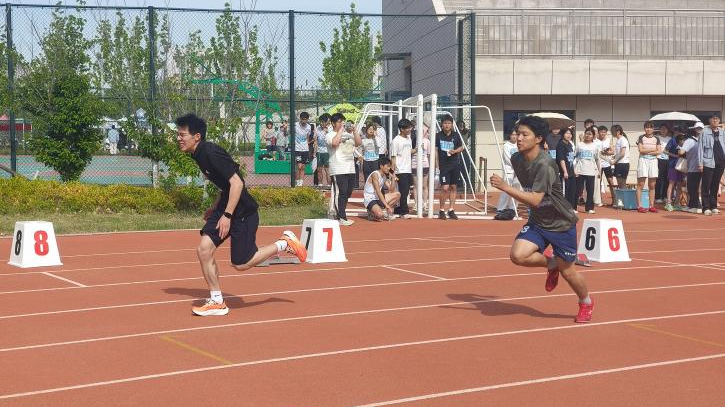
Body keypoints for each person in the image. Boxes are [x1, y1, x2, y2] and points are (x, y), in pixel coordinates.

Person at [175, 113, 307, 316]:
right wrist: (215, 207)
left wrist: (227, 216)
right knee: (204, 249)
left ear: (197, 136)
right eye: (178, 134)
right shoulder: (198, 154)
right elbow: (225, 185)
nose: (178, 138)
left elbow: (237, 183)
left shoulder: (210, 152)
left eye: (182, 134)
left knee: (242, 264)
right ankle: (217, 301)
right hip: (226, 207)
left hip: (243, 212)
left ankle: (284, 243)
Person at [489, 115, 593, 323]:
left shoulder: (545, 164)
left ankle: (586, 301)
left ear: (538, 139)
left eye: (524, 135)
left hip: (561, 223)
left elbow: (536, 199)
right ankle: (552, 264)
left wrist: (506, 187)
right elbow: (532, 194)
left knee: (568, 272)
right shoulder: (516, 158)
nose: (518, 138)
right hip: (538, 221)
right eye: (517, 134)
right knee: (518, 256)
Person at [327, 113, 362, 225]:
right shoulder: (330, 134)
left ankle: (339, 214)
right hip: (338, 168)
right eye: (339, 122)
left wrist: (355, 131)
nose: (342, 123)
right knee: (341, 192)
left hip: (350, 168)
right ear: (333, 123)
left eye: (343, 121)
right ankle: (340, 217)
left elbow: (358, 143)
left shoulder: (348, 134)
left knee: (348, 192)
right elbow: (334, 143)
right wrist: (341, 130)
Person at [436, 116, 464, 220]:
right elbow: (435, 151)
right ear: (442, 124)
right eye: (445, 123)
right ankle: (441, 210)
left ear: (452, 125)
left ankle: (451, 209)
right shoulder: (438, 136)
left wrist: (455, 151)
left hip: (455, 164)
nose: (447, 125)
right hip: (444, 165)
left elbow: (461, 147)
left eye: (449, 123)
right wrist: (437, 165)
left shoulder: (456, 135)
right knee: (445, 188)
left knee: (453, 187)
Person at [698, 114, 725, 216]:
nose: (715, 120)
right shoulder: (704, 132)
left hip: (720, 162)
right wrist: (700, 163)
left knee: (715, 185)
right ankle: (706, 207)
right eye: (713, 119)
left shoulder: (722, 132)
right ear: (709, 120)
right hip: (708, 162)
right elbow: (700, 148)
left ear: (719, 121)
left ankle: (713, 206)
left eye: (717, 119)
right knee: (706, 185)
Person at [391, 118, 415, 219]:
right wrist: (393, 172)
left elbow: (409, 151)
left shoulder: (409, 139)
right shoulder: (396, 141)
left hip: (408, 169)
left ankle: (398, 210)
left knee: (405, 191)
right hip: (400, 170)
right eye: (408, 128)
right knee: (404, 191)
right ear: (402, 129)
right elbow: (393, 157)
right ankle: (404, 212)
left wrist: (418, 149)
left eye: (410, 127)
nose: (410, 129)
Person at [364, 157, 400, 221]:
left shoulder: (384, 176)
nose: (389, 168)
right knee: (380, 215)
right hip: (370, 199)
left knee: (397, 194)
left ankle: (384, 212)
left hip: (377, 199)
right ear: (381, 166)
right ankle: (371, 212)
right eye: (388, 166)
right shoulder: (375, 174)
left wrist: (393, 178)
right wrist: (387, 205)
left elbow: (391, 190)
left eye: (390, 166)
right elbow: (378, 191)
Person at [636, 121, 661, 213]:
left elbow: (659, 151)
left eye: (650, 127)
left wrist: (647, 150)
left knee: (652, 185)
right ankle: (639, 206)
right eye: (647, 127)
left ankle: (651, 206)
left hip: (653, 161)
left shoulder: (657, 138)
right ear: (644, 129)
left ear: (653, 129)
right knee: (641, 184)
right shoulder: (641, 137)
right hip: (643, 161)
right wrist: (653, 149)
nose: (648, 129)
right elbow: (640, 150)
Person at [574, 127, 601, 214]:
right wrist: (574, 169)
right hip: (580, 170)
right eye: (586, 133)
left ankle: (589, 208)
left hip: (591, 171)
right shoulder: (579, 144)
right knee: (578, 190)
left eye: (590, 134)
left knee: (590, 190)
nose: (588, 135)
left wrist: (599, 170)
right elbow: (575, 157)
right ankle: (574, 207)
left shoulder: (595, 146)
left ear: (593, 136)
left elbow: (597, 159)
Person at [495, 129, 520, 220]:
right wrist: (516, 166)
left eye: (516, 134)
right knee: (506, 189)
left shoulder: (519, 144)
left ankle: (513, 208)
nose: (514, 136)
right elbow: (508, 158)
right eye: (512, 134)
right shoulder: (506, 145)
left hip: (519, 171)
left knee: (516, 189)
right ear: (509, 135)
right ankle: (501, 208)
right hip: (509, 170)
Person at [681, 122, 703, 213]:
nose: (699, 129)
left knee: (692, 188)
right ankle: (691, 205)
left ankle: (696, 206)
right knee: (694, 188)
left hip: (695, 168)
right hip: (702, 168)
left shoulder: (689, 141)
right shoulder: (706, 140)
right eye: (698, 128)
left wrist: (680, 147)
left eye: (700, 128)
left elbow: (681, 152)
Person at [664, 131, 686, 211]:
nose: (681, 133)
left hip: (682, 167)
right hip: (673, 166)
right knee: (671, 184)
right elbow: (664, 151)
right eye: (679, 130)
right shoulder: (672, 140)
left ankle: (677, 203)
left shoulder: (687, 141)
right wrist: (675, 155)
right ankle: (668, 203)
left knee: (679, 185)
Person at [556, 128, 577, 210]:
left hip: (571, 172)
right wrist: (565, 171)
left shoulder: (570, 145)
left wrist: (574, 171)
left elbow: (571, 159)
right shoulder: (560, 145)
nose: (569, 135)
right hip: (564, 172)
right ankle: (564, 209)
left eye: (570, 133)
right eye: (567, 133)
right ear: (562, 134)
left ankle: (570, 208)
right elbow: (561, 159)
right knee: (565, 191)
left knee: (572, 190)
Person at [595, 125, 615, 206]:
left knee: (610, 181)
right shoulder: (595, 141)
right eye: (601, 132)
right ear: (598, 132)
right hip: (598, 164)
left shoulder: (608, 140)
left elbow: (613, 151)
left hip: (606, 163)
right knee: (598, 181)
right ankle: (599, 200)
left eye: (604, 132)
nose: (603, 133)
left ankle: (614, 199)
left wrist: (606, 152)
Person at [655, 124, 673, 204]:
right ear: (660, 130)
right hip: (659, 159)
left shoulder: (670, 138)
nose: (664, 130)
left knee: (667, 179)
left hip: (668, 160)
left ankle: (665, 196)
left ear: (668, 130)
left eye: (665, 129)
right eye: (662, 128)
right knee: (659, 178)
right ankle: (657, 197)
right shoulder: (657, 138)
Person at [294, 112, 313, 186]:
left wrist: (306, 145)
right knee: (298, 166)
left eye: (305, 119)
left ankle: (301, 183)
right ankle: (296, 182)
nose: (304, 121)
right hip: (297, 148)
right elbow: (288, 133)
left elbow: (307, 137)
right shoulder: (295, 125)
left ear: (307, 119)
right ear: (300, 119)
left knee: (303, 167)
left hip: (305, 149)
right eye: (303, 119)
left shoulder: (309, 127)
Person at [611, 124, 630, 193]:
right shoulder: (619, 140)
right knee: (620, 184)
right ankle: (622, 198)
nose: (612, 133)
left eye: (613, 131)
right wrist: (615, 156)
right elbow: (619, 153)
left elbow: (622, 153)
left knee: (622, 183)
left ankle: (625, 198)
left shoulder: (623, 139)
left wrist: (614, 160)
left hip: (623, 164)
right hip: (619, 164)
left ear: (618, 132)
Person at [316, 114, 331, 187]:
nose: (321, 123)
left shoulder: (330, 129)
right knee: (319, 169)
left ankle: (329, 184)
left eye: (323, 122)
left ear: (326, 122)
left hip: (327, 151)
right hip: (319, 151)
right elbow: (315, 139)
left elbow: (332, 139)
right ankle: (320, 184)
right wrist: (314, 151)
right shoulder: (317, 128)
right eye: (320, 122)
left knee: (327, 169)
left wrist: (327, 132)